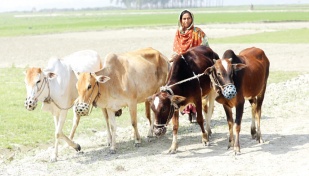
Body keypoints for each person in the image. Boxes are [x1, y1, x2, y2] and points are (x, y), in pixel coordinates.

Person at [171, 9, 210, 123]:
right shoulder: (178, 33)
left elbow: (205, 47)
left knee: (195, 87)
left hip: (195, 62)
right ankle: (187, 110)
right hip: (182, 63)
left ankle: (194, 111)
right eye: (184, 19)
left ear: (192, 19)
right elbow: (175, 49)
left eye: (188, 18)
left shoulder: (197, 32)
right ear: (180, 20)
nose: (186, 21)